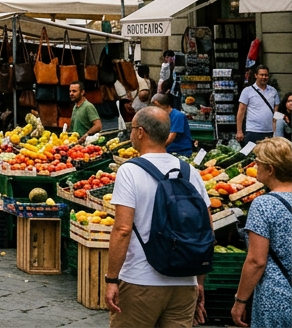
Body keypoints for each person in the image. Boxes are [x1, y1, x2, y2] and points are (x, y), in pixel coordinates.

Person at [104, 106, 210, 327]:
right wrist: (199, 282)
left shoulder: (130, 171)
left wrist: (111, 279)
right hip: (184, 282)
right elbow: (206, 229)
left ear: (140, 132)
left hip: (140, 281)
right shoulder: (190, 172)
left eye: (132, 129)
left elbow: (122, 230)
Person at [231, 137, 292, 328]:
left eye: (258, 163)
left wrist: (240, 301)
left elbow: (256, 261)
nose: (255, 167)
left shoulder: (264, 204)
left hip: (276, 299)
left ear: (271, 169)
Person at [238, 65, 281, 145]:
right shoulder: (247, 91)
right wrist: (239, 131)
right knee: (252, 156)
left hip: (269, 132)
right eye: (261, 75)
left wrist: (276, 132)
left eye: (266, 75)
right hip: (253, 131)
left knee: (268, 156)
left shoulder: (273, 91)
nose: (264, 77)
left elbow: (276, 112)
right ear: (256, 75)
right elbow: (241, 112)